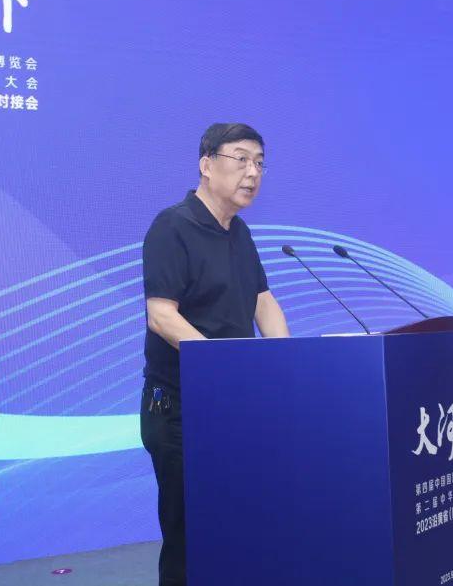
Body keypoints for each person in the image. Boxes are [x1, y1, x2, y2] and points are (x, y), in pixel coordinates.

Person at [140, 122, 290, 586]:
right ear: (206, 164)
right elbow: (161, 315)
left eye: (259, 163)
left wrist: (289, 361)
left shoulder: (239, 233)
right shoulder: (173, 226)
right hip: (181, 410)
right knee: (190, 539)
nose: (253, 172)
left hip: (232, 404)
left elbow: (262, 301)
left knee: (236, 528)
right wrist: (219, 366)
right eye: (241, 159)